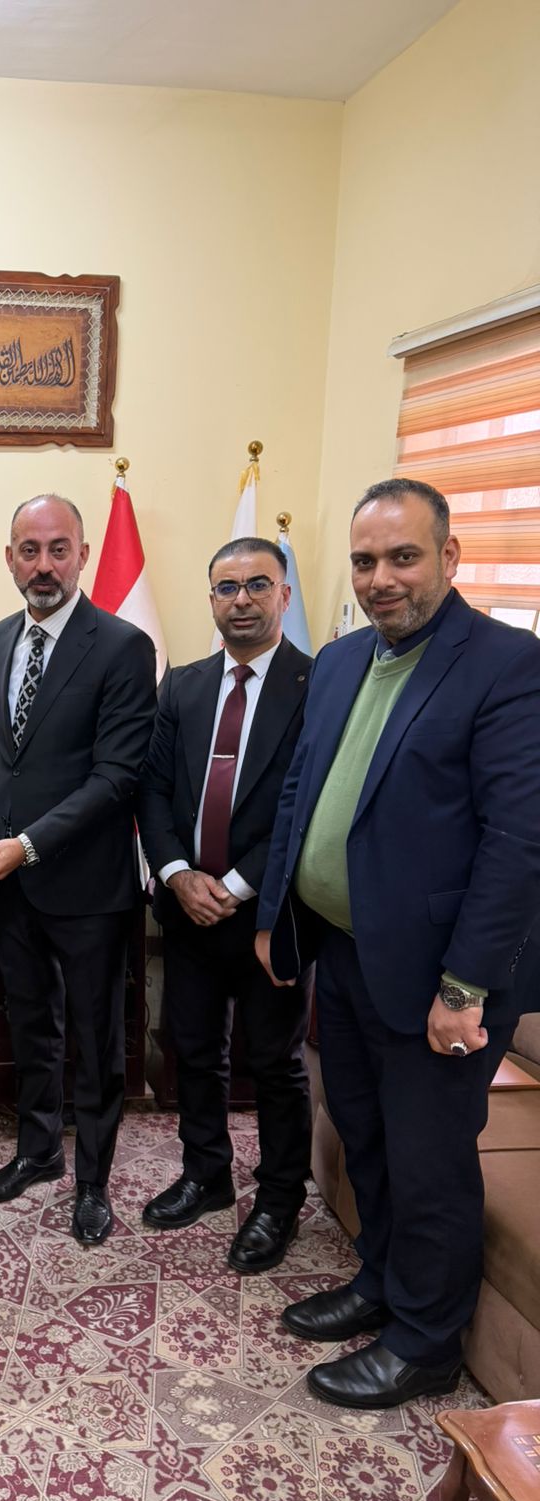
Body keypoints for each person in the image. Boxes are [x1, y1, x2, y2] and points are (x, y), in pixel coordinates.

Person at [257, 477, 540, 1407]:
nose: (382, 578)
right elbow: (300, 792)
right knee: (366, 1135)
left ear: (450, 557)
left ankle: (425, 1342)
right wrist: (271, 915)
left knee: (429, 1160)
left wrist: (465, 988)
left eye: (404, 557)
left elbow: (518, 843)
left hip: (440, 977)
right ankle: (382, 1280)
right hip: (344, 954)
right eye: (365, 560)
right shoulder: (341, 659)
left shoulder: (507, 665)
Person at [0, 493, 157, 1244]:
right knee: (31, 1023)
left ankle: (93, 1181)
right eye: (29, 550)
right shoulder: (1, 637)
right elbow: (9, 733)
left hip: (86, 884)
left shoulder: (122, 647)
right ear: (9, 559)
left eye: (59, 549)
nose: (44, 565)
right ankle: (38, 1152)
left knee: (96, 1038)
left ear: (83, 555)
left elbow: (116, 776)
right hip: (11, 880)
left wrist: (28, 844)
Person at [138, 537, 312, 1271]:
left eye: (257, 585)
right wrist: (179, 874)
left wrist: (236, 886)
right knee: (195, 1048)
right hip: (188, 907)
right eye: (226, 587)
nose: (241, 600)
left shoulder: (317, 683)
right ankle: (206, 1174)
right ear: (210, 598)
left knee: (273, 1061)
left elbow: (305, 807)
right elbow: (152, 788)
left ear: (284, 596)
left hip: (270, 913)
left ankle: (278, 1200)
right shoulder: (182, 684)